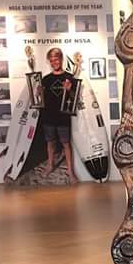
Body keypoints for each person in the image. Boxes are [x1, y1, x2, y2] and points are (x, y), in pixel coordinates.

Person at [40, 46, 76, 183]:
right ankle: (50, 165)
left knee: (66, 144)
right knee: (50, 142)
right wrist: (38, 93)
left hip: (63, 116)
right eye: (51, 60)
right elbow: (41, 100)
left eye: (56, 59)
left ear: (61, 59)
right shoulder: (45, 79)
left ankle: (70, 171)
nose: (54, 62)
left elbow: (74, 98)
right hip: (49, 116)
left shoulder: (69, 77)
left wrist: (70, 90)